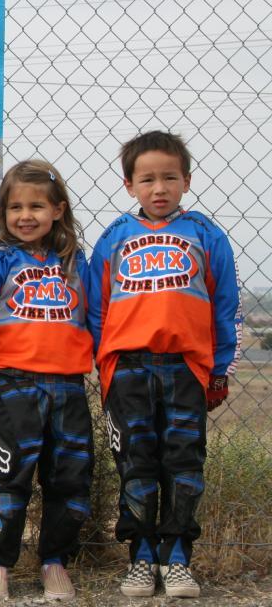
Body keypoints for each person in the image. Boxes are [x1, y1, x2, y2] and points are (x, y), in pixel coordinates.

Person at [88, 131, 241, 599]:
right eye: (147, 179)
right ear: (129, 184)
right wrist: (105, 364)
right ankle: (141, 556)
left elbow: (224, 305)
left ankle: (177, 556)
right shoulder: (115, 237)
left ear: (187, 181)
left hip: (185, 368)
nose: (159, 189)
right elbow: (98, 308)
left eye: (169, 178)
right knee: (136, 462)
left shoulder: (206, 235)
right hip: (129, 367)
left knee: (183, 463)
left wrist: (219, 368)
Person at [0, 161, 93, 602]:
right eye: (15, 207)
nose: (25, 215)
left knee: (70, 479)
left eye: (36, 206)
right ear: (2, 213)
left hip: (68, 387)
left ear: (57, 209)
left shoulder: (77, 264)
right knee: (8, 475)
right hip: (15, 385)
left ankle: (54, 560)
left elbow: (94, 316)